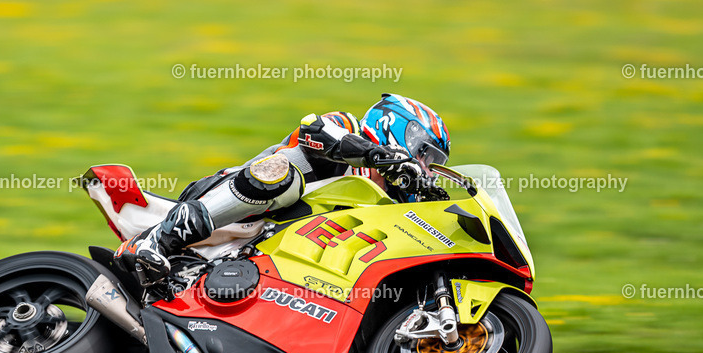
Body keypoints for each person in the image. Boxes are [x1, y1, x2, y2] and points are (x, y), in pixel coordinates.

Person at [115, 93, 452, 285]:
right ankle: (158, 239)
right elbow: (313, 129)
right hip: (231, 199)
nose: (425, 166)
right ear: (396, 125)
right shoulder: (348, 127)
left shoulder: (383, 199)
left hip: (267, 252)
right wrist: (376, 155)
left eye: (432, 162)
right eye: (424, 152)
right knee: (284, 174)